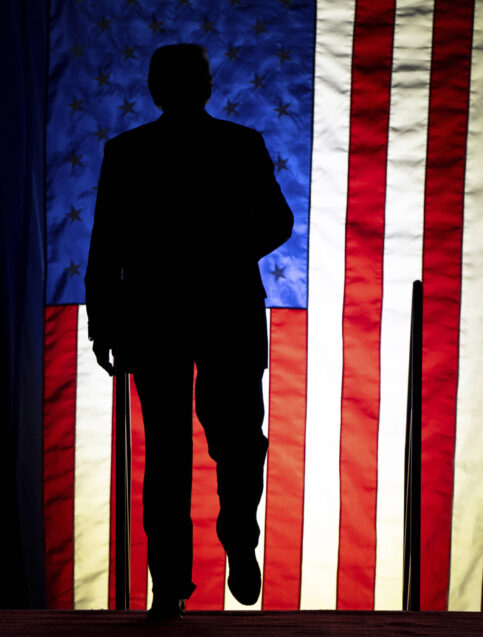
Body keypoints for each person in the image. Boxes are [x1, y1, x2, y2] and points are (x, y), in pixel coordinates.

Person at [85, 43, 293, 619]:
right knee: (230, 442)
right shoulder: (238, 144)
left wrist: (103, 320)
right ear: (206, 87)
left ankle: (175, 580)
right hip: (217, 311)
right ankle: (221, 548)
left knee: (175, 451)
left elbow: (105, 248)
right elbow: (276, 223)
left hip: (162, 314)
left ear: (155, 90)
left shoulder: (129, 152)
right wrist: (225, 255)